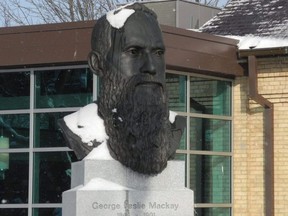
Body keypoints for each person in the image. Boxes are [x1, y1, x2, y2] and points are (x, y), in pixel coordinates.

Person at [59, 3, 185, 175]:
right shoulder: (76, 128)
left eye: (157, 53)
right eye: (133, 51)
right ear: (97, 64)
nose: (151, 67)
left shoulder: (175, 125)